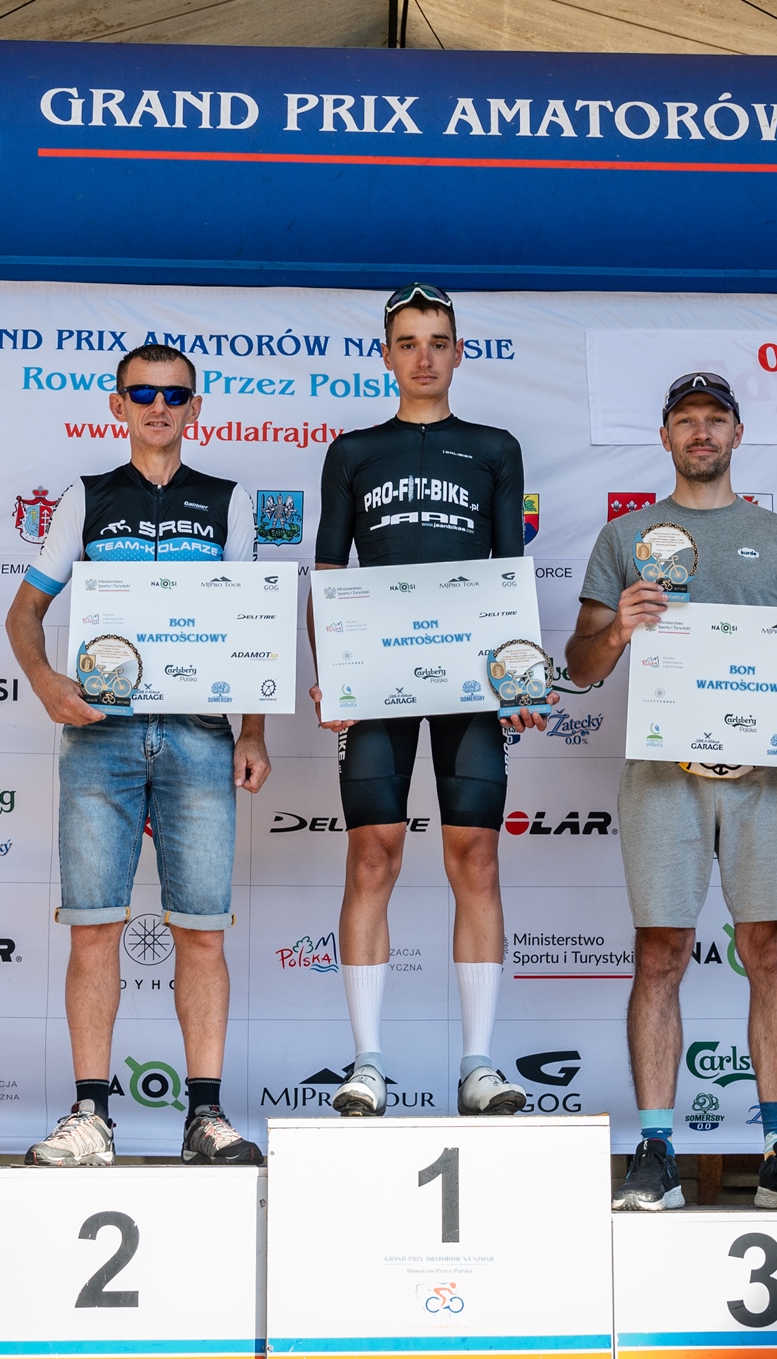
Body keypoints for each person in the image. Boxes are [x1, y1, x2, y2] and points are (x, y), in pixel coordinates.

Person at [565, 372, 777, 1211]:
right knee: (660, 953)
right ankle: (657, 1151)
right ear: (665, 437)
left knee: (769, 952)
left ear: (737, 434)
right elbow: (579, 669)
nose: (701, 433)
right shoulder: (626, 536)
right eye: (686, 421)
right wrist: (619, 627)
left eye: (715, 420)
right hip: (664, 775)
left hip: (766, 778)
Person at [5, 342, 269, 1167]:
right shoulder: (87, 497)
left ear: (196, 408)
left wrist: (254, 732)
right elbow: (23, 612)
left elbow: (252, 627)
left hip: (197, 732)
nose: (159, 406)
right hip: (101, 734)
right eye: (143, 393)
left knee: (202, 933)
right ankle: (91, 1116)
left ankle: (206, 1117)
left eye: (175, 395)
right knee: (94, 930)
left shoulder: (228, 501)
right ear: (117, 405)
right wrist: (45, 681)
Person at [308, 282, 547, 1118]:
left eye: (438, 342)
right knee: (372, 854)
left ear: (458, 353)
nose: (423, 357)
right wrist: (334, 675)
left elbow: (508, 573)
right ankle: (367, 1063)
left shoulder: (494, 448)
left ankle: (479, 1064)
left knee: (475, 857)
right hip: (376, 679)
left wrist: (518, 678)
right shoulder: (352, 452)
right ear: (386, 355)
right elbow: (328, 575)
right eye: (407, 342)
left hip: (469, 683)